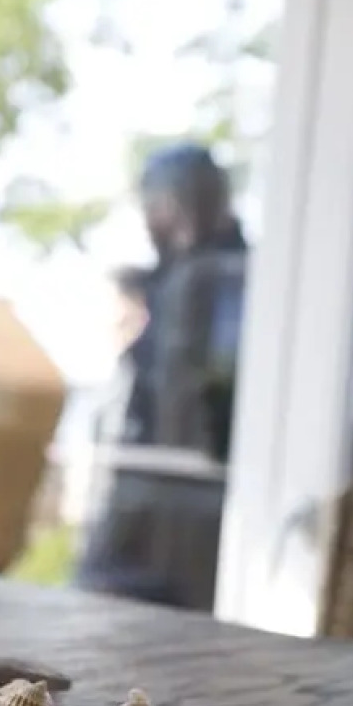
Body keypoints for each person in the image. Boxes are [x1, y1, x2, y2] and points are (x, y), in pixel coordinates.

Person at [75, 143, 249, 610]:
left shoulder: (206, 279)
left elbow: (183, 400)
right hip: (166, 498)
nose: (150, 219)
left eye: (153, 206)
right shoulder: (190, 277)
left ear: (173, 204)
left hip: (174, 506)